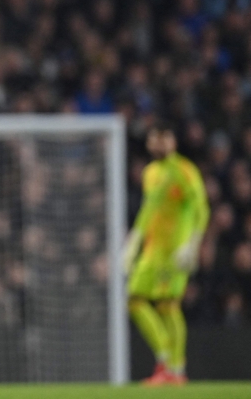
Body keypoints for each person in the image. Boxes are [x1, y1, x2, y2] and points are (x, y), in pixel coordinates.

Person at [121, 123, 209, 385]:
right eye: (155, 139)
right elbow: (149, 209)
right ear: (149, 143)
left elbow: (201, 208)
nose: (160, 144)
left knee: (168, 305)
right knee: (134, 300)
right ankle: (166, 358)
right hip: (152, 251)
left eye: (164, 138)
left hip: (175, 250)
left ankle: (175, 369)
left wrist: (193, 243)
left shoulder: (184, 170)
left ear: (173, 141)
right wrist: (134, 240)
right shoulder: (150, 172)